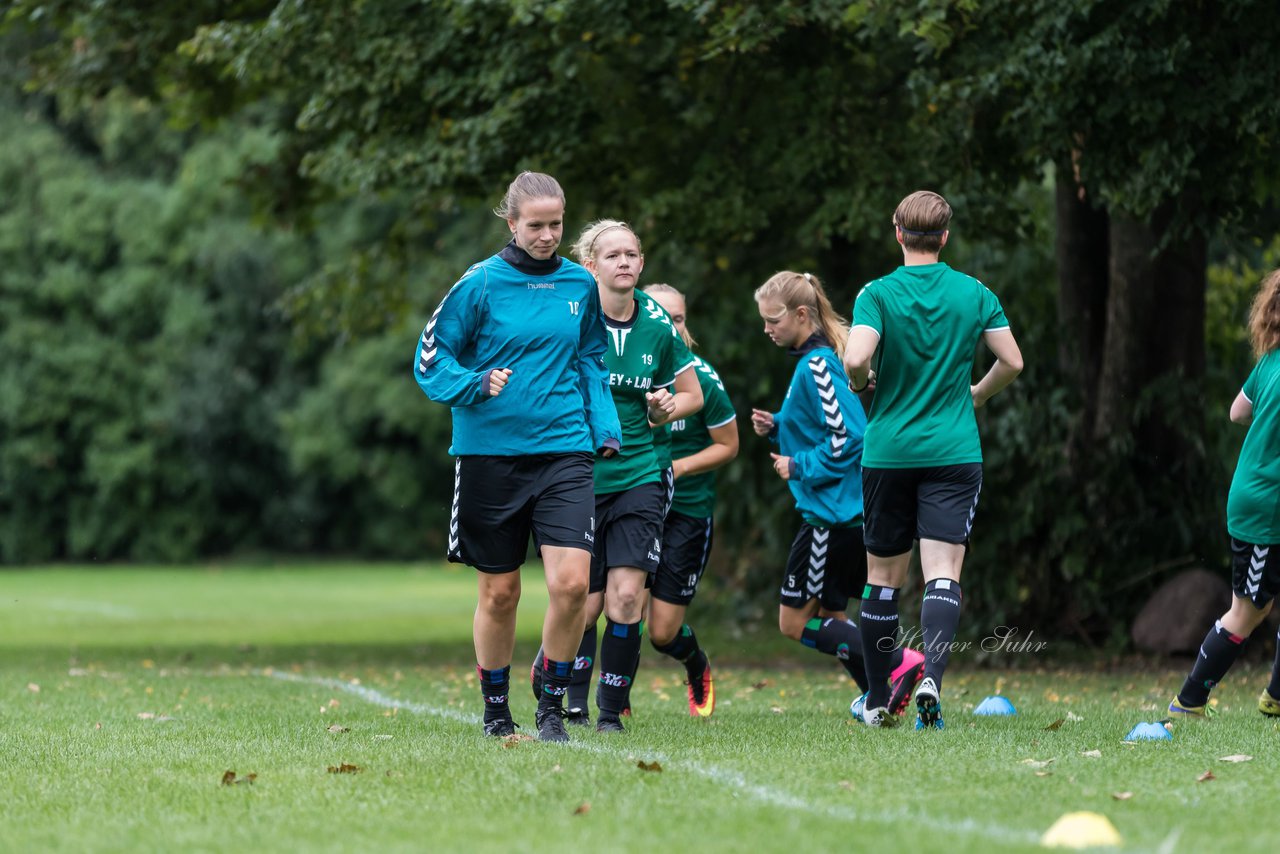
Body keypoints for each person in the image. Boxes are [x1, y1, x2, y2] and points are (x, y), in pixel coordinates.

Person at [412, 172, 621, 743]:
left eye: (556, 224)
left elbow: (590, 360)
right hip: (491, 456)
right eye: (536, 225)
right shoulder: (479, 284)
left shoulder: (580, 286)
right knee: (500, 593)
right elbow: (430, 359)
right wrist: (477, 384)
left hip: (564, 451)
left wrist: (603, 426)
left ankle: (551, 706)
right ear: (511, 223)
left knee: (574, 586)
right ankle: (495, 710)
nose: (548, 234)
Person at [844, 190, 1023, 729]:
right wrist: (976, 394)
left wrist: (861, 383)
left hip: (889, 452)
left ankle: (877, 701)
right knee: (943, 572)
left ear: (897, 232)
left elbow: (855, 356)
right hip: (954, 451)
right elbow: (1012, 360)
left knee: (882, 578)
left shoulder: (877, 293)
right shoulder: (973, 292)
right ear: (944, 237)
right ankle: (932, 680)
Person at [539, 220, 703, 733]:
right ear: (591, 266)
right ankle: (560, 689)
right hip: (578, 476)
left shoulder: (658, 324)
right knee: (583, 608)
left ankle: (610, 715)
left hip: (639, 475)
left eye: (632, 254)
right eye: (613, 255)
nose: (625, 262)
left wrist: (663, 408)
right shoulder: (568, 320)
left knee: (627, 597)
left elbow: (691, 396)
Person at [752, 271, 925, 719]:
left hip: (829, 518)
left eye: (773, 320)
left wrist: (798, 465)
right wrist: (779, 424)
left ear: (802, 314)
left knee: (794, 623)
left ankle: (895, 663)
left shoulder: (816, 365)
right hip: (842, 514)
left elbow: (850, 437)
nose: (766, 330)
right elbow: (820, 423)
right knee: (834, 614)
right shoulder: (816, 361)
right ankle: (878, 700)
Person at [1168, 268, 1280, 720]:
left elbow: (1238, 413)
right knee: (1246, 612)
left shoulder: (1269, 362)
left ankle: (1275, 698)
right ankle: (1188, 701)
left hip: (1257, 496)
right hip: (1266, 508)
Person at [641, 283, 739, 718]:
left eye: (678, 318)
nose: (672, 327)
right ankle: (612, 705)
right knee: (618, 606)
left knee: (662, 632)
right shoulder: (629, 369)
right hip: (635, 504)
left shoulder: (702, 380)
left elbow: (728, 445)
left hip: (686, 513)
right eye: (664, 317)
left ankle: (695, 661)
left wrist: (677, 469)